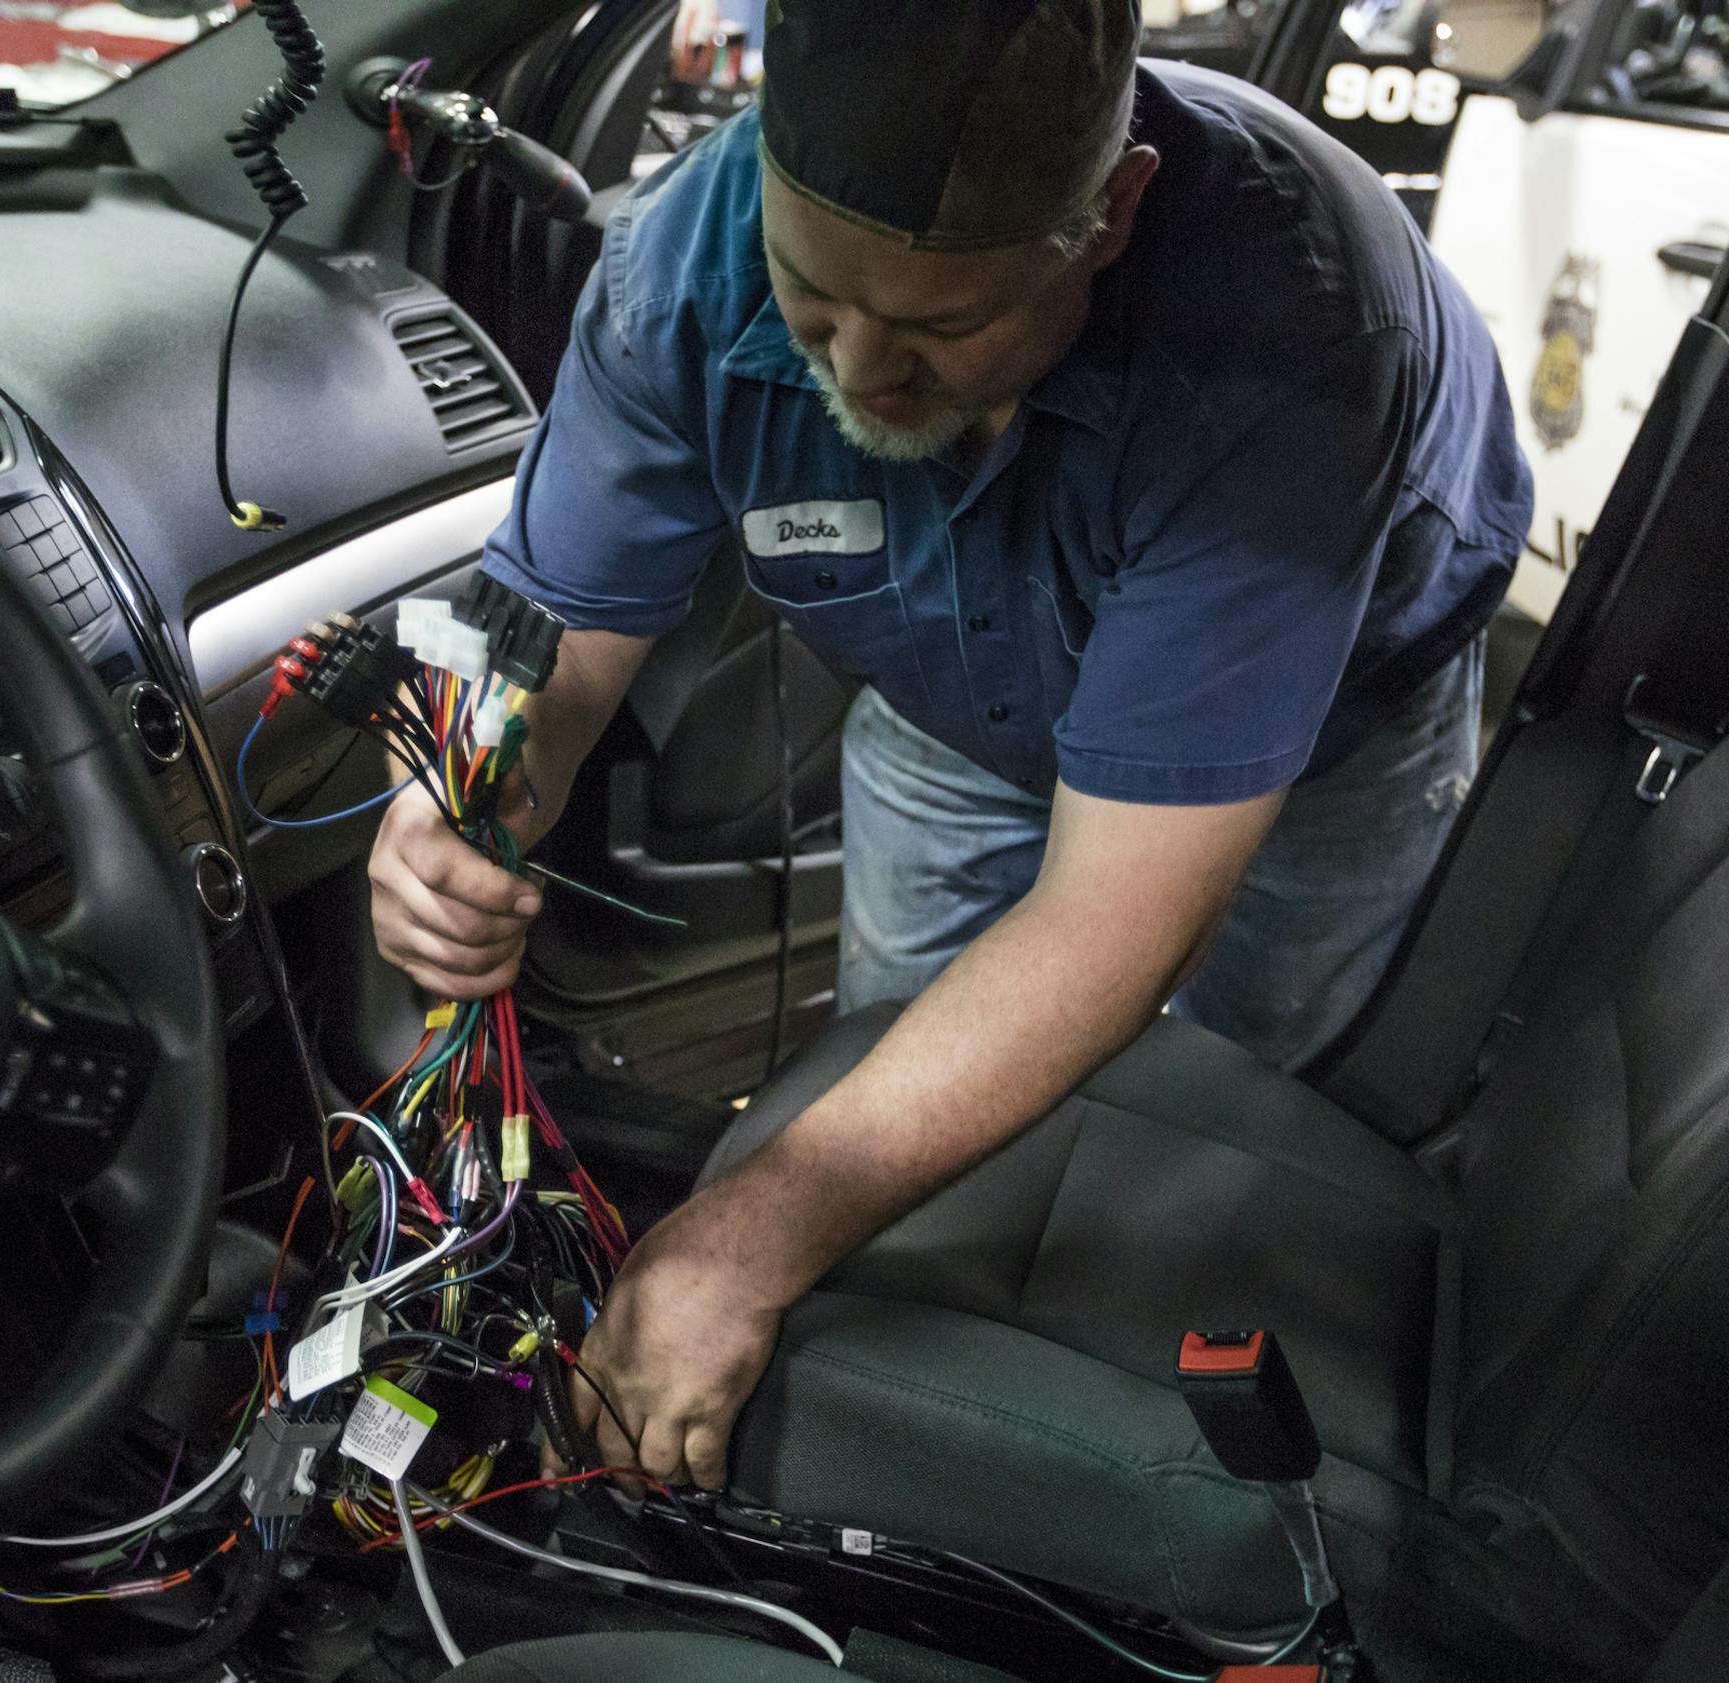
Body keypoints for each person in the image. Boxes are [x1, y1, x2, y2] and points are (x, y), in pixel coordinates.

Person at [365, 0, 1532, 1492]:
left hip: (1313, 748)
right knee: (898, 1109)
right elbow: (545, 621)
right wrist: (460, 789)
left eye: (941, 326)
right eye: (812, 296)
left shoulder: (1283, 340)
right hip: (948, 706)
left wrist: (747, 1234)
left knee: (1215, 1135)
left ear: (1108, 218)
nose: (861, 375)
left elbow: (1121, 919)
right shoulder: (683, 263)